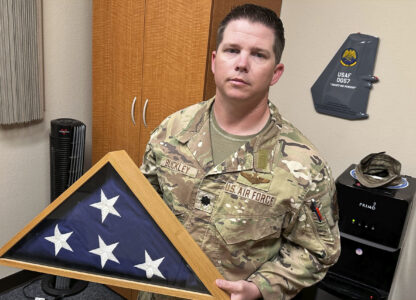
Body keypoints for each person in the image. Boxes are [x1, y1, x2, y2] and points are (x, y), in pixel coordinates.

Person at [140, 3, 340, 300]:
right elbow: (142, 200)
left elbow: (318, 251)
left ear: (275, 72)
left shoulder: (303, 164)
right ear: (214, 60)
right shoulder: (173, 129)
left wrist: (262, 287)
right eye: (232, 50)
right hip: (159, 290)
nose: (242, 63)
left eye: (258, 54)